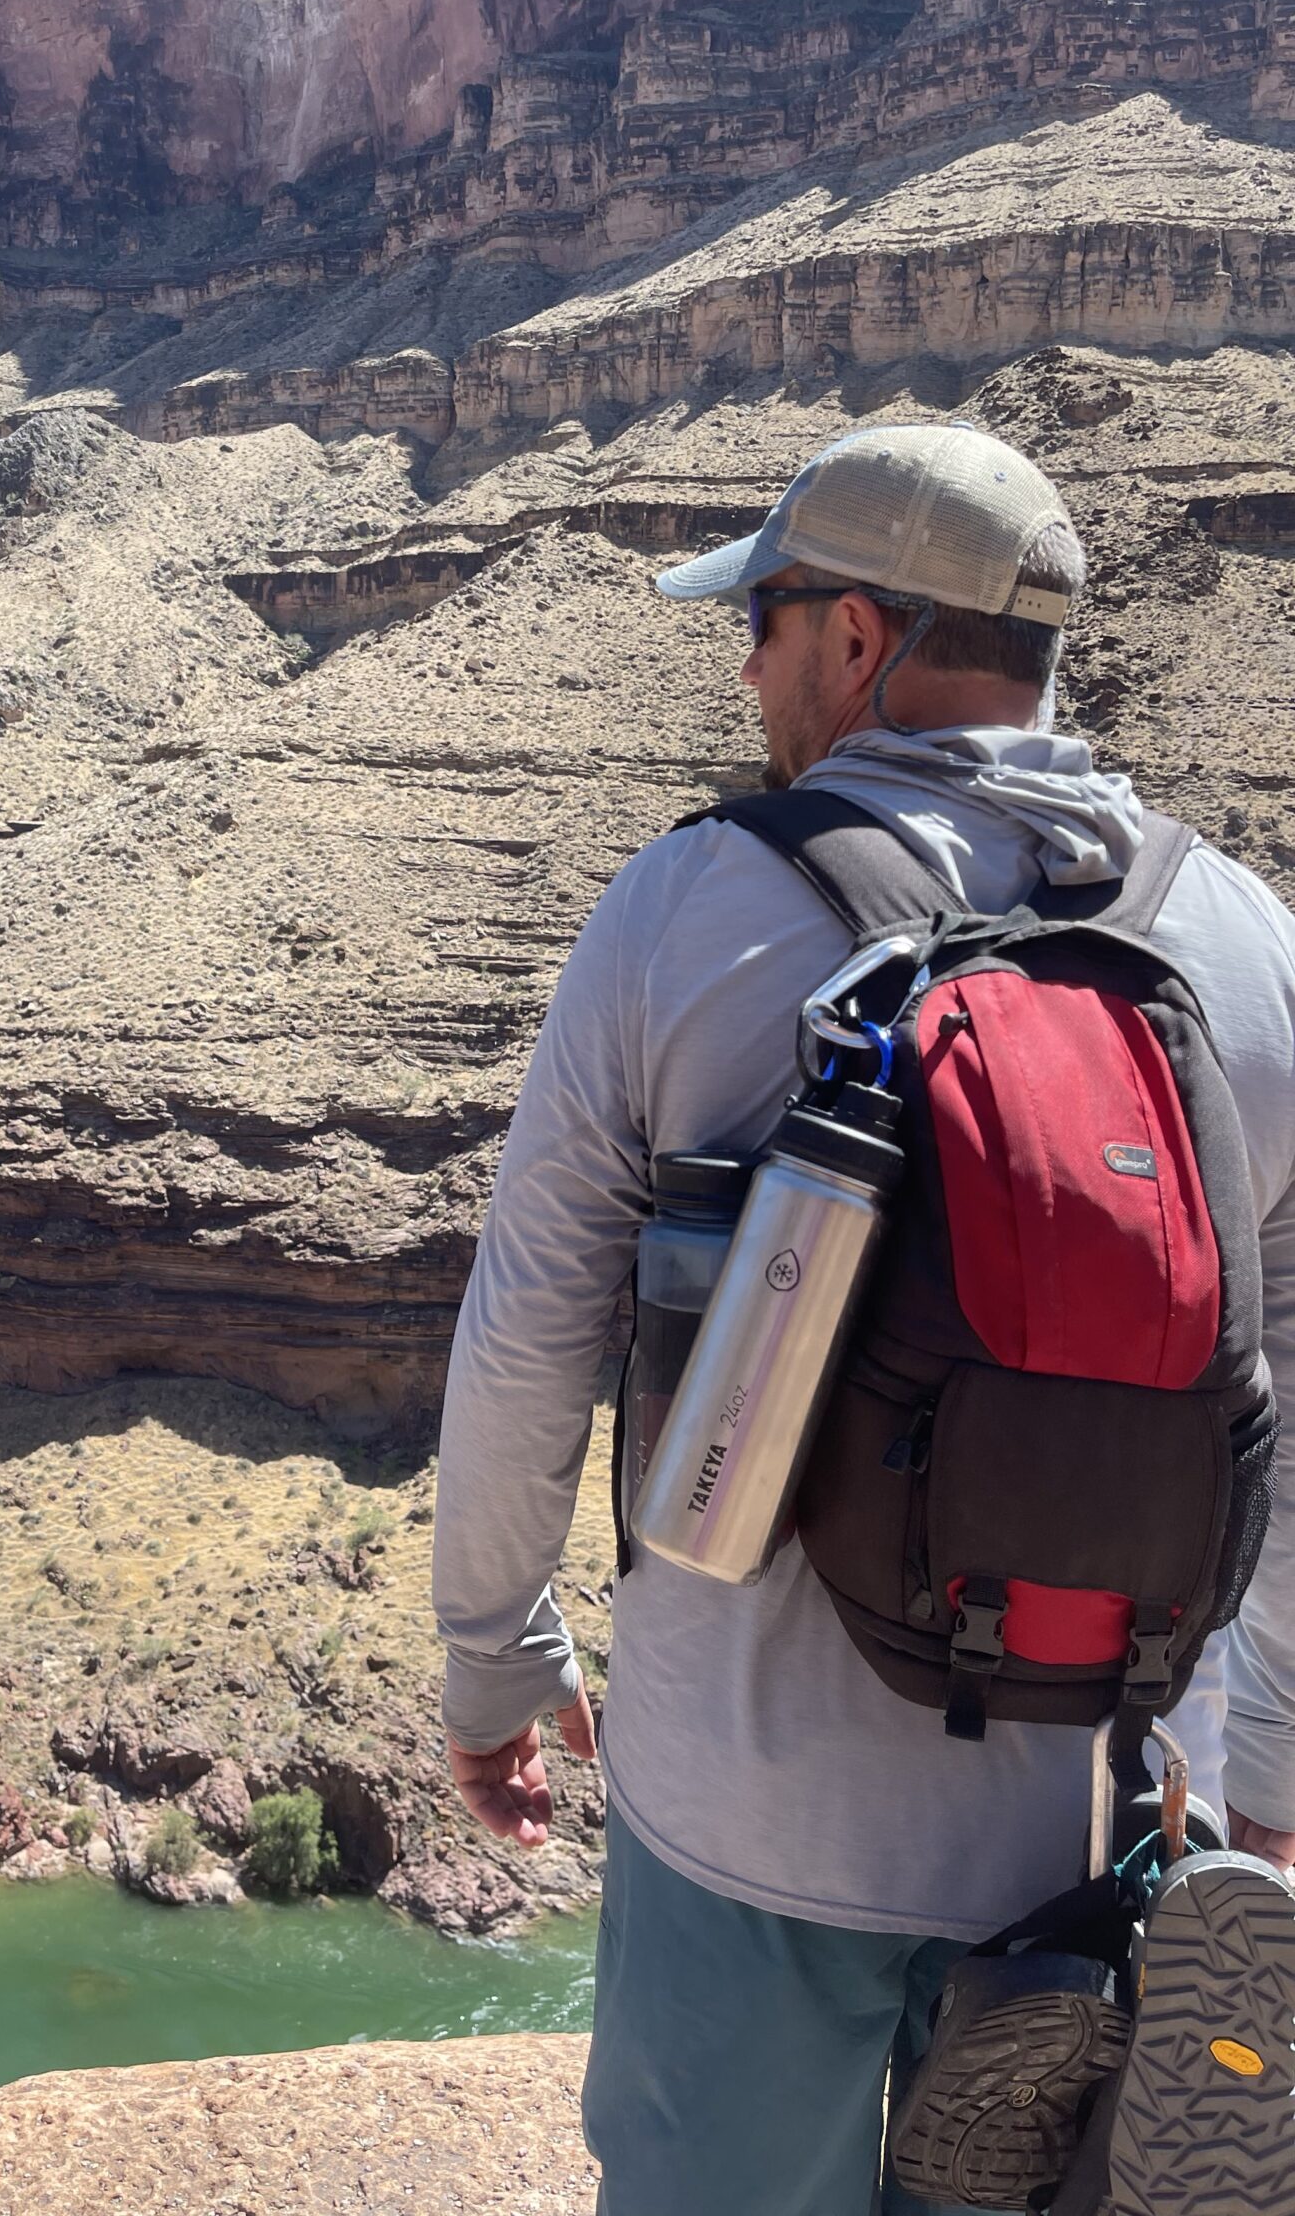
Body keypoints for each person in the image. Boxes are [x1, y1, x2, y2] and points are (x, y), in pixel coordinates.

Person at [431, 424, 1295, 2216]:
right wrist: (1266, 1779)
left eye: (765, 615)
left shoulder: (686, 910)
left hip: (751, 1814)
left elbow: (533, 1323)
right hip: (1105, 1822)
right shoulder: (1253, 951)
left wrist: (496, 1653)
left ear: (860, 638)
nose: (747, 664)